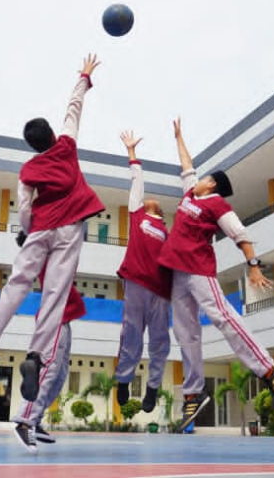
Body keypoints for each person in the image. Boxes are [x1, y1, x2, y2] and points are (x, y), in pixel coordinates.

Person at [0, 54, 105, 404]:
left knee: (16, 285)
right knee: (54, 295)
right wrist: (84, 77)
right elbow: (73, 110)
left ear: (31, 145)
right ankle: (34, 357)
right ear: (52, 134)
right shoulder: (67, 147)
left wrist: (28, 231)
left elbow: (25, 207)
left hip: (41, 229)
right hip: (69, 230)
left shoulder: (28, 170)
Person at [158, 117, 274, 430]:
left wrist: (253, 266)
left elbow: (240, 235)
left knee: (223, 317)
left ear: (212, 184)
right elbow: (187, 166)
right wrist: (179, 137)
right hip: (177, 274)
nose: (197, 178)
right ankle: (192, 394)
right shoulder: (191, 193)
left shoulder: (217, 205)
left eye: (203, 178)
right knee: (185, 333)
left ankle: (270, 370)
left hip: (199, 271)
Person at [113, 130, 172, 414]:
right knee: (132, 333)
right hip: (136, 282)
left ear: (159, 212)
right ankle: (124, 379)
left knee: (159, 341)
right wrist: (132, 153)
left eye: (154, 200)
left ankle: (152, 387)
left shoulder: (166, 231)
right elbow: (137, 182)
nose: (150, 198)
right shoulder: (136, 214)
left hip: (161, 291)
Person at [10, 266, 86, 454]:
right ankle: (25, 422)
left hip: (64, 320)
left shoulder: (64, 251)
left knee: (59, 376)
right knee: (48, 370)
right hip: (55, 319)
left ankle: (34, 420)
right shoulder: (52, 251)